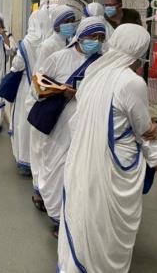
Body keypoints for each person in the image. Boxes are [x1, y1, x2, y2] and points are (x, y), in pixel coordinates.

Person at [56, 24, 157, 273]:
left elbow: (83, 118)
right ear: (141, 52)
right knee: (107, 229)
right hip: (113, 169)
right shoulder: (131, 82)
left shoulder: (94, 71)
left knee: (86, 217)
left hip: (83, 160)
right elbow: (145, 133)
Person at [34, 17, 106, 237]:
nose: (95, 41)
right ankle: (57, 214)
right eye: (91, 37)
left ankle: (71, 217)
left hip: (88, 124)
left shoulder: (102, 62)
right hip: (60, 124)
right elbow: (37, 85)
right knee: (56, 167)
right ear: (79, 36)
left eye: (100, 38)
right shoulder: (58, 58)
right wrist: (60, 90)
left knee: (80, 171)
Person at [30, 4, 78, 211]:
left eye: (71, 21)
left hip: (66, 106)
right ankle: (40, 190)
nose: (69, 26)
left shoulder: (69, 42)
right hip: (51, 102)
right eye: (65, 22)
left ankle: (50, 191)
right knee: (44, 150)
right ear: (56, 24)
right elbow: (40, 79)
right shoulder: (49, 45)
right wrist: (60, 88)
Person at [9, 9, 50, 176]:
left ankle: (25, 159)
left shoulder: (27, 42)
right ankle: (39, 164)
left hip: (27, 88)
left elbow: (17, 65)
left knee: (24, 123)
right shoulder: (52, 41)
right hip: (46, 90)